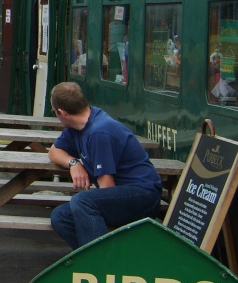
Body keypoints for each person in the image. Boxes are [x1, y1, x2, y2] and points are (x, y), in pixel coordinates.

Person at [47, 82, 161, 249]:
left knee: (83, 202)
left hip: (142, 195)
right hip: (120, 194)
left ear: (61, 113)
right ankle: (100, 258)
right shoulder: (77, 127)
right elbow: (53, 152)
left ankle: (101, 263)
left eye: (53, 112)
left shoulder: (99, 132)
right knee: (60, 216)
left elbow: (107, 188)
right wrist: (73, 163)